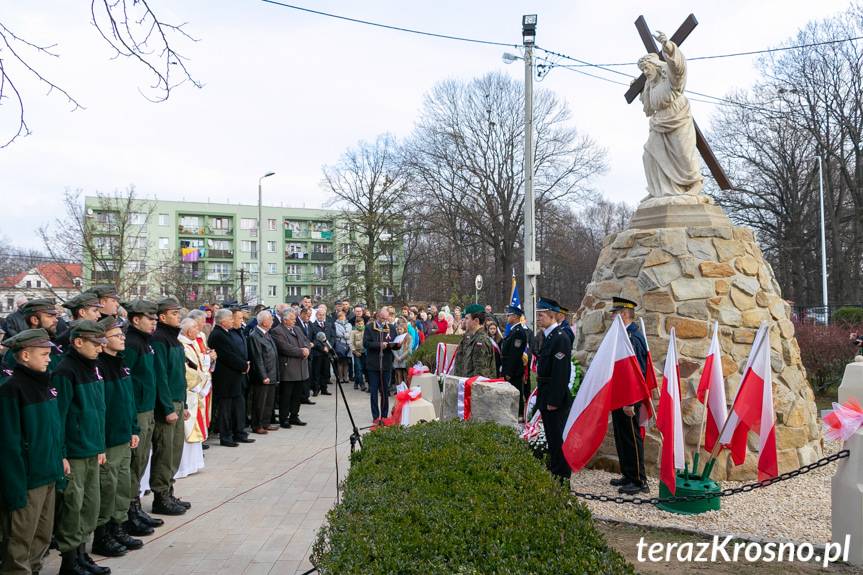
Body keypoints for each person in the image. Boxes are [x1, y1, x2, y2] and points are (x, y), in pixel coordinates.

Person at [0, 329, 65, 575]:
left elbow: (54, 432)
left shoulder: (44, 384)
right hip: (27, 481)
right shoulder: (12, 390)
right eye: (44, 354)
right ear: (25, 355)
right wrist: (16, 489)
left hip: (48, 474)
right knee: (20, 543)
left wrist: (58, 465)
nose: (50, 359)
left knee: (41, 538)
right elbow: (9, 445)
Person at [53, 320, 111, 575]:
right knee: (73, 505)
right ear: (78, 342)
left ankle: (82, 554)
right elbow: (60, 415)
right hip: (75, 450)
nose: (100, 348)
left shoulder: (92, 367)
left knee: (90, 504)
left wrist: (99, 445)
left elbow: (98, 411)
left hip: (91, 446)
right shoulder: (66, 371)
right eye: (95, 343)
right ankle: (70, 559)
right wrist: (62, 452)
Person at [92, 316, 144, 558]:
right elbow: (100, 409)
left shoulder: (121, 363)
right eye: (117, 336)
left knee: (122, 485)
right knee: (108, 487)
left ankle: (118, 526)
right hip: (109, 438)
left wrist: (134, 428)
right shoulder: (100, 368)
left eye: (122, 335)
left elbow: (128, 400)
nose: (123, 338)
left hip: (124, 435)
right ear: (102, 341)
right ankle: (103, 535)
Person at [637, 31, 702, 197]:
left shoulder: (669, 74)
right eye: (642, 69)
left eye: (647, 67)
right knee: (649, 154)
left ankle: (694, 184)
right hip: (659, 122)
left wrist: (668, 46)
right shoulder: (649, 85)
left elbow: (678, 68)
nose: (645, 71)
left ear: (655, 65)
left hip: (678, 116)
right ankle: (659, 190)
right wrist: (640, 93)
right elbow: (649, 107)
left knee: (683, 153)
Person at [121, 300, 163, 536]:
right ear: (136, 319)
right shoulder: (132, 343)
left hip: (147, 408)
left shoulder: (146, 342)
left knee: (140, 462)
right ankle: (129, 511)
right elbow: (127, 381)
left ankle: (134, 507)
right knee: (134, 463)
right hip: (137, 410)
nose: (154, 323)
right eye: (151, 319)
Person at [149, 297, 191, 516]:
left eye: (178, 313)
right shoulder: (159, 339)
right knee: (164, 451)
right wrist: (167, 408)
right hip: (167, 404)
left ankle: (169, 490)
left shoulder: (174, 339)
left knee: (175, 451)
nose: (179, 317)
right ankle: (160, 496)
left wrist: (182, 403)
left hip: (177, 400)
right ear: (163, 316)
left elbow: (180, 375)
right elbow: (160, 377)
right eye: (174, 314)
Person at [609, 297, 650, 495]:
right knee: (621, 436)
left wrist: (630, 402)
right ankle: (628, 473)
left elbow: (638, 373)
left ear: (625, 314)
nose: (612, 317)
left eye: (615, 313)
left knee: (632, 439)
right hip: (619, 396)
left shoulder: (633, 337)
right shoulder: (623, 335)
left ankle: (639, 479)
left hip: (629, 399)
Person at [534, 297, 573, 484]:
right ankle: (555, 468)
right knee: (551, 436)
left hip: (554, 398)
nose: (538, 318)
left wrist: (554, 400)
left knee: (558, 439)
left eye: (541, 315)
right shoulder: (549, 336)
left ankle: (562, 475)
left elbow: (560, 373)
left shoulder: (560, 337)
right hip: (546, 393)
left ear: (551, 315)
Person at [208, 309, 254, 447]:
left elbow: (235, 352)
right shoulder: (218, 335)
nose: (233, 321)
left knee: (236, 407)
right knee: (225, 410)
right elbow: (228, 356)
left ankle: (238, 433)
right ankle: (226, 437)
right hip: (225, 379)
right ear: (223, 321)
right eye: (230, 318)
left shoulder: (225, 333)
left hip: (234, 377)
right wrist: (243, 366)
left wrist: (244, 364)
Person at [177, 318, 208, 477]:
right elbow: (187, 369)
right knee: (187, 427)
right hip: (189, 391)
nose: (199, 330)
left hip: (196, 390)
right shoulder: (182, 345)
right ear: (189, 331)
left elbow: (200, 363)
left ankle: (193, 464)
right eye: (196, 328)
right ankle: (183, 466)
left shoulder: (193, 342)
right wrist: (199, 381)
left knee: (195, 423)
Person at [269, 310, 310, 428]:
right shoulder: (277, 331)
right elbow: (284, 348)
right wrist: (301, 351)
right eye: (292, 319)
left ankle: (294, 416)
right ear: (285, 320)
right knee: (286, 395)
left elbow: (306, 341)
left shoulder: (297, 329)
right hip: (288, 368)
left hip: (301, 367)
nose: (294, 321)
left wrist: (307, 349)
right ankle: (284, 418)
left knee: (297, 395)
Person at [3, 299, 62, 372]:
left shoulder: (53, 344)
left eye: (55, 316)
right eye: (50, 316)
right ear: (35, 320)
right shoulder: (19, 347)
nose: (56, 320)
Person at [364, 308, 399, 422]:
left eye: (387, 318)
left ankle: (384, 415)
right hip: (373, 364)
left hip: (386, 363)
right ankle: (375, 416)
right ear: (378, 317)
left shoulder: (391, 327)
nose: (385, 321)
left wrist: (397, 344)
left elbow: (395, 342)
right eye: (383, 318)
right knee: (374, 391)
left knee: (385, 391)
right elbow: (366, 343)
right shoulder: (369, 327)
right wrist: (379, 345)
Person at [247, 310, 280, 434]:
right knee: (260, 402)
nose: (272, 321)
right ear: (264, 322)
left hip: (271, 372)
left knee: (268, 402)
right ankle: (257, 425)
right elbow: (257, 358)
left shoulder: (267, 333)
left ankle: (266, 423)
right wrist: (263, 375)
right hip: (263, 375)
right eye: (271, 319)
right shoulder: (255, 336)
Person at [501, 305, 531, 418]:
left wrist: (509, 372)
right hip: (510, 369)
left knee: (516, 392)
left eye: (509, 315)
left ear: (515, 317)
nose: (507, 317)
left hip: (514, 371)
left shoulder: (518, 332)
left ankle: (519, 415)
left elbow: (515, 354)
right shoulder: (514, 330)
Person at [452, 304, 496, 378]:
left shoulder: (481, 341)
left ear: (476, 321)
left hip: (475, 387)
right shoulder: (474, 337)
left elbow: (480, 376)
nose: (464, 321)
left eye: (467, 318)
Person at [309, 305, 334, 396]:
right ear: (316, 315)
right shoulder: (312, 325)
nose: (321, 316)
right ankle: (316, 389)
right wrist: (322, 347)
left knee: (325, 371)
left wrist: (328, 346)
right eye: (319, 314)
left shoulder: (329, 325)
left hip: (327, 353)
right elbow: (313, 339)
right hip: (317, 352)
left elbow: (332, 337)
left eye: (323, 315)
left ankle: (324, 389)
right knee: (316, 372)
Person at [333, 310, 352, 384]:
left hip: (347, 345)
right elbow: (338, 333)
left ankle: (346, 377)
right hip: (340, 344)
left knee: (346, 362)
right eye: (340, 316)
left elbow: (349, 332)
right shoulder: (335, 324)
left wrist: (346, 334)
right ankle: (340, 378)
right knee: (340, 362)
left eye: (343, 316)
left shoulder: (349, 324)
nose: (342, 317)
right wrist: (345, 334)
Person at [392, 318, 412, 386]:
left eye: (401, 329)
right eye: (398, 329)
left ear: (405, 329)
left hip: (405, 359)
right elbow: (393, 348)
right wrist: (397, 357)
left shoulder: (408, 337)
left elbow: (409, 350)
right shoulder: (396, 337)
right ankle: (399, 390)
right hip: (397, 360)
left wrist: (401, 357)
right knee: (398, 376)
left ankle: (406, 390)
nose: (399, 331)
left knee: (405, 376)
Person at [350, 316, 366, 391]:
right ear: (356, 324)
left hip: (364, 352)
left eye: (362, 324)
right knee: (358, 368)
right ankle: (362, 384)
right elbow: (351, 343)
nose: (360, 325)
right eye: (359, 324)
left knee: (362, 369)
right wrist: (355, 351)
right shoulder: (353, 332)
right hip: (356, 352)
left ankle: (356, 382)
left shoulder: (366, 331)